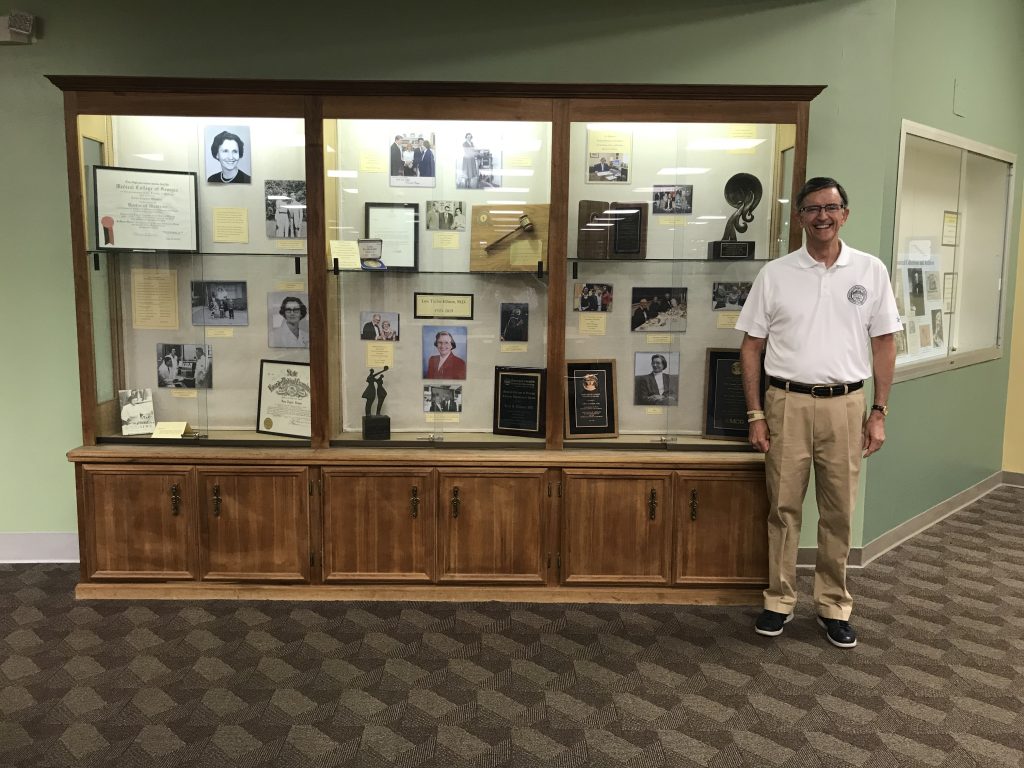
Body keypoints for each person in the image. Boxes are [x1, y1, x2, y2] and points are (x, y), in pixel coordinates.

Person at [736, 177, 901, 649]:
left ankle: (833, 604)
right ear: (799, 218)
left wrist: (878, 411)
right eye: (812, 209)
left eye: (831, 208)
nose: (822, 216)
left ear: (845, 214)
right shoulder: (776, 274)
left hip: (846, 405)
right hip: (785, 402)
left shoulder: (869, 271)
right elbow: (751, 346)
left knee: (838, 511)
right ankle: (779, 599)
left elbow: (884, 344)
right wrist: (755, 413)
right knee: (783, 509)